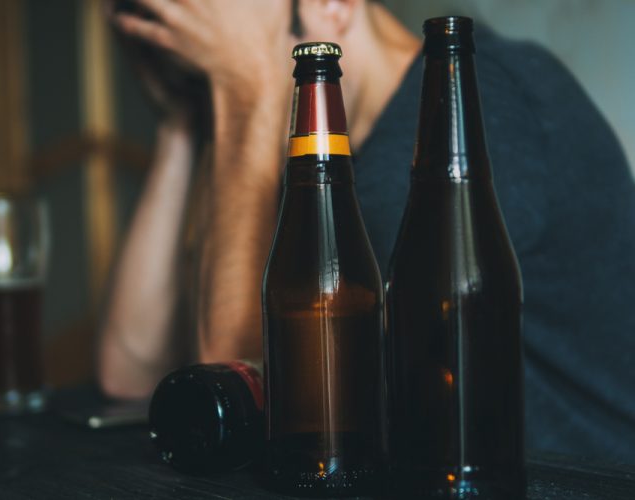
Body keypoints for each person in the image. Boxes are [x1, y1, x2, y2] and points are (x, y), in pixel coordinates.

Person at [99, 0, 635, 462]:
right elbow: (130, 370)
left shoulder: (459, 117)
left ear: (333, 4)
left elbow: (257, 393)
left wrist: (250, 84)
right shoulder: (309, 161)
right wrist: (182, 125)